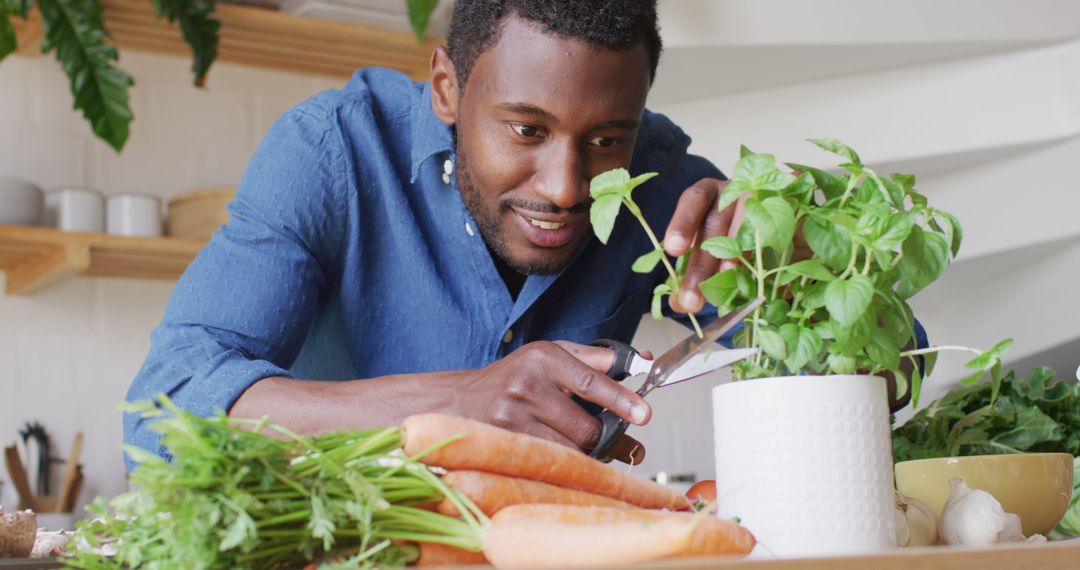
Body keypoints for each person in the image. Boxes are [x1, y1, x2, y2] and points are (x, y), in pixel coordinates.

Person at [124, 0, 745, 467]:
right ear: (447, 89)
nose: (564, 187)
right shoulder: (332, 150)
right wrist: (452, 404)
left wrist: (804, 231)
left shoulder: (664, 181)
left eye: (606, 140)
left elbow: (811, 356)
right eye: (526, 130)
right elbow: (162, 411)